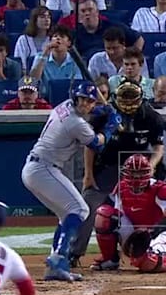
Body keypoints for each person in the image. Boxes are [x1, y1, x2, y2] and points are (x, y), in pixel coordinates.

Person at [71, 82, 166, 268]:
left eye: (131, 98)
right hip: (109, 165)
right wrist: (88, 174)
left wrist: (151, 166)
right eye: (123, 98)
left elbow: (159, 147)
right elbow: (90, 146)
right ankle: (75, 252)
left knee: (164, 205)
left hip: (140, 167)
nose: (127, 102)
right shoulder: (103, 115)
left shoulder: (150, 116)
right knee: (88, 205)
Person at [20, 80, 107, 281]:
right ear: (75, 98)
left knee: (67, 214)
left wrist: (100, 111)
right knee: (81, 209)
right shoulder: (75, 123)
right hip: (43, 168)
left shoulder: (64, 106)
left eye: (90, 101)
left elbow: (87, 117)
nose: (85, 104)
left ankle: (55, 263)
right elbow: (96, 143)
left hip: (36, 167)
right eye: (83, 99)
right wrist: (109, 127)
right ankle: (58, 262)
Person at [90, 154, 166, 273]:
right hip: (134, 232)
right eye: (132, 173)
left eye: (140, 173)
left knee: (147, 262)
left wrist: (150, 233)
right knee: (103, 214)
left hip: (157, 232)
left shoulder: (161, 189)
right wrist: (130, 238)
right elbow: (118, 215)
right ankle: (110, 259)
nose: (136, 177)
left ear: (148, 173)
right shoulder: (121, 187)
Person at [72, 0, 145, 59]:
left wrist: (132, 58)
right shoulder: (75, 34)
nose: (87, 13)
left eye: (90, 10)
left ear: (97, 12)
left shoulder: (114, 26)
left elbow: (139, 40)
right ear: (78, 15)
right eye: (83, 11)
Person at [15, 7, 53, 71]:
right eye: (42, 17)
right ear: (34, 20)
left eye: (49, 17)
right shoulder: (23, 40)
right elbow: (19, 64)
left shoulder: (53, 39)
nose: (47, 20)